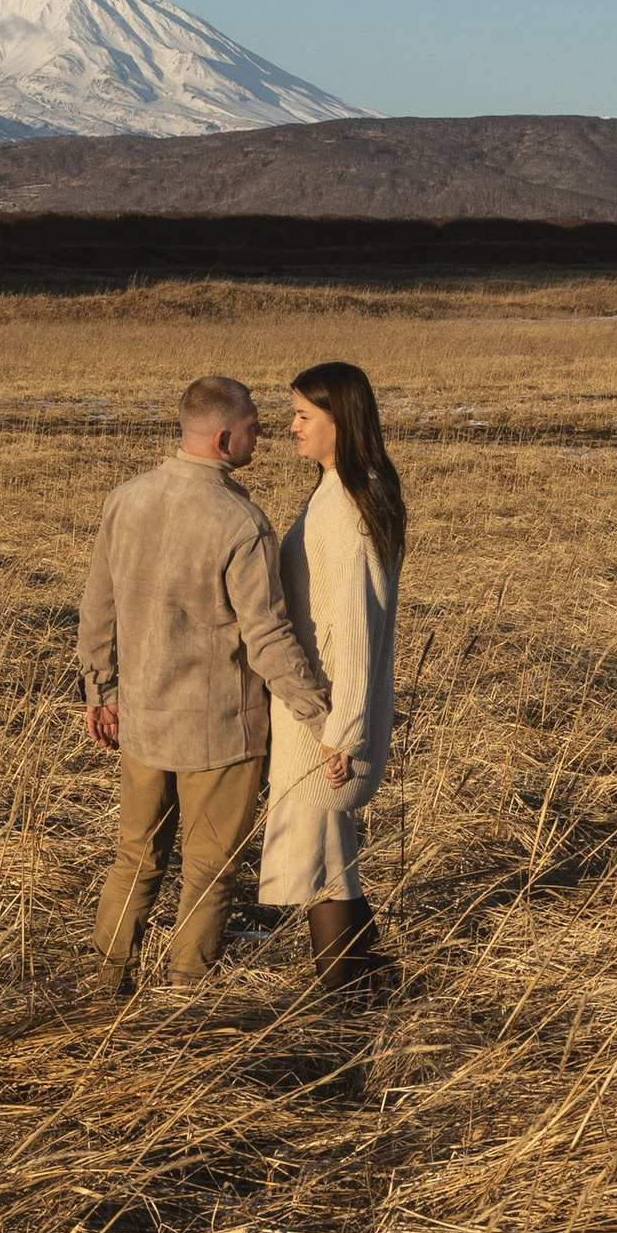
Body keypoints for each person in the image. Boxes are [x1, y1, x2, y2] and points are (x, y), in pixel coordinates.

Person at [77, 373, 342, 998]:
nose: (267, 431)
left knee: (135, 860)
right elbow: (269, 638)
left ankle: (105, 986)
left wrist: (100, 691)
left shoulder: (127, 498)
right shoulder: (240, 522)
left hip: (140, 720)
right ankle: (185, 1002)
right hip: (220, 732)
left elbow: (97, 607)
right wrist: (322, 718)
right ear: (224, 438)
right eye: (254, 424)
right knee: (209, 872)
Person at [258, 359, 405, 990]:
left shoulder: (347, 505)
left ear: (338, 421)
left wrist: (342, 731)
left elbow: (356, 629)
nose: (290, 426)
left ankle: (344, 1001)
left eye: (303, 415)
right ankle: (374, 982)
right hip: (315, 713)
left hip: (325, 721)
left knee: (322, 864)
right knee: (329, 858)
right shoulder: (336, 490)